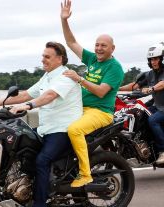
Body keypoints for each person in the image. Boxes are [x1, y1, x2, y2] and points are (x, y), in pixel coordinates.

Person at [0, 42, 82, 207]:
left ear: (59, 59)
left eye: (47, 57)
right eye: (43, 56)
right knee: (21, 146)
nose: (43, 60)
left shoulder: (66, 76)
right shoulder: (47, 76)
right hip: (46, 128)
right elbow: (26, 94)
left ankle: (40, 203)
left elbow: (49, 95)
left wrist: (29, 106)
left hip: (63, 129)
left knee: (42, 160)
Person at [60, 0, 124, 187]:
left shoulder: (114, 67)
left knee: (74, 130)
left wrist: (79, 79)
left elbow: (101, 92)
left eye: (103, 45)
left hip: (100, 112)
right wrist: (64, 20)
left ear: (112, 48)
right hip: (82, 108)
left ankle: (85, 174)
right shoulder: (92, 59)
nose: (98, 48)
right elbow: (71, 42)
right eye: (97, 45)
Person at [119, 42, 164, 164]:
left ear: (162, 59)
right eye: (151, 59)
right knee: (140, 114)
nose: (154, 62)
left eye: (156, 59)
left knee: (153, 120)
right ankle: (147, 146)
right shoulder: (149, 74)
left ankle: (162, 151)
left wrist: (152, 88)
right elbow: (135, 86)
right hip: (158, 106)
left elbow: (162, 84)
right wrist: (116, 88)